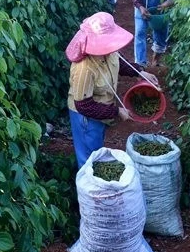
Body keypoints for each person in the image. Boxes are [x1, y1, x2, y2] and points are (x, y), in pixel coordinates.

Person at [66, 12, 159, 169]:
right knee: (89, 160)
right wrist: (116, 111)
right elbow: (84, 106)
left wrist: (140, 72)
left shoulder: (108, 51)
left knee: (97, 149)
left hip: (101, 110)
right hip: (86, 118)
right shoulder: (84, 68)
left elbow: (120, 63)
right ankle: (88, 190)